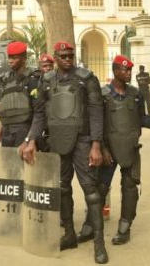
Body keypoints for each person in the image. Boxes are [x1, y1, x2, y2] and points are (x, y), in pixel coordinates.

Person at [77, 55, 150, 246]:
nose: (129, 73)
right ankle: (90, 225)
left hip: (130, 149)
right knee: (99, 189)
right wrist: (102, 148)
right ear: (116, 71)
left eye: (130, 70)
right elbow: (95, 124)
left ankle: (125, 227)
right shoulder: (103, 95)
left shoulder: (135, 94)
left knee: (130, 188)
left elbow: (143, 118)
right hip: (108, 151)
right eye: (125, 70)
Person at [21, 41, 108, 264]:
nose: (68, 59)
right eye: (63, 56)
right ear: (55, 58)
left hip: (83, 140)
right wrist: (31, 139)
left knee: (91, 190)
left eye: (71, 55)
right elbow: (39, 113)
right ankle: (69, 234)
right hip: (57, 141)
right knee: (62, 189)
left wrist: (96, 144)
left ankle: (99, 243)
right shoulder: (47, 80)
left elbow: (97, 111)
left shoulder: (86, 78)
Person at [0, 41, 41, 154]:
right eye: (9, 57)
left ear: (24, 58)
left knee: (23, 169)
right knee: (9, 169)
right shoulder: (6, 80)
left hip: (24, 130)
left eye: (15, 57)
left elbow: (38, 113)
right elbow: (5, 112)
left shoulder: (32, 79)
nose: (10, 60)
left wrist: (29, 140)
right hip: (7, 133)